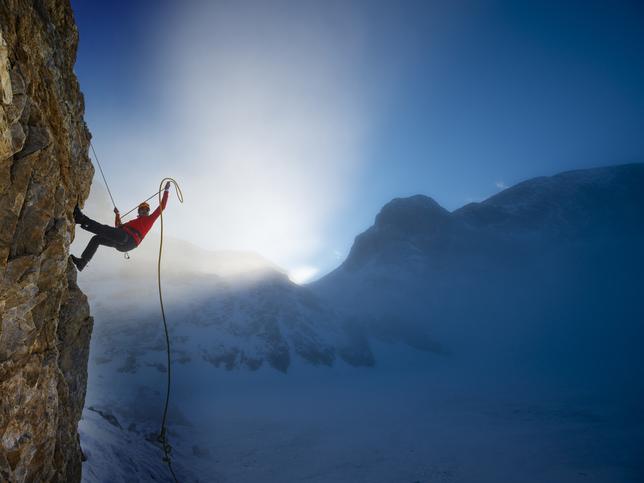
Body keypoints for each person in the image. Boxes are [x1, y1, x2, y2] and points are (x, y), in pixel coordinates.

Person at [70, 182, 171, 271]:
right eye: (142, 209)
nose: (145, 211)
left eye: (146, 210)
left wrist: (166, 190)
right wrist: (117, 215)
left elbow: (162, 206)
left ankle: (81, 219)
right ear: (139, 211)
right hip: (124, 243)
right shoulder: (132, 222)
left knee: (104, 229)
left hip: (129, 239)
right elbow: (118, 227)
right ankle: (82, 262)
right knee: (97, 239)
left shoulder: (150, 219)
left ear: (148, 212)